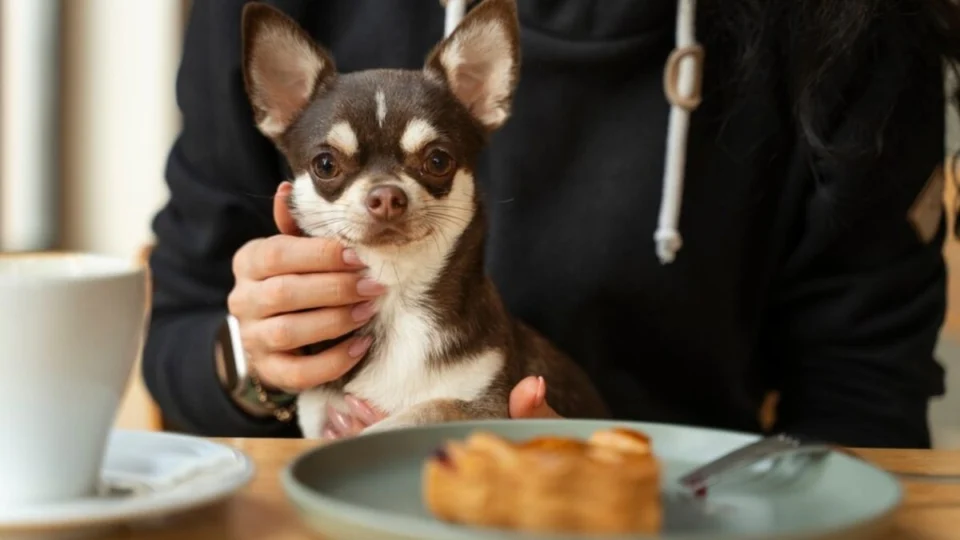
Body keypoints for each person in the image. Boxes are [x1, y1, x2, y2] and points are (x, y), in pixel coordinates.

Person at [144, 0, 960, 448]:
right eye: (331, 166)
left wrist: (648, 497)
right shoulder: (280, 32)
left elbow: (865, 405)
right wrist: (259, 361)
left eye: (432, 162)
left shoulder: (862, 29)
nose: (384, 197)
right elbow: (175, 334)